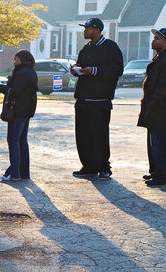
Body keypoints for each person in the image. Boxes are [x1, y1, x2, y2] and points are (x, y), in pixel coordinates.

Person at [70, 18, 123, 180]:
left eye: (87, 28)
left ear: (97, 29)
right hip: (83, 99)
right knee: (83, 134)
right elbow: (80, 64)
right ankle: (89, 166)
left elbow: (116, 70)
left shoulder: (110, 47)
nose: (84, 31)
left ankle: (103, 167)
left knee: (99, 134)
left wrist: (93, 70)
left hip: (100, 100)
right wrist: (76, 70)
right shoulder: (86, 48)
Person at [0, 50, 38, 181]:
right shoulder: (30, 71)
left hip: (18, 110)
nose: (14, 61)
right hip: (27, 110)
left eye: (16, 59)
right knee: (22, 141)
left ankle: (14, 173)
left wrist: (2, 88)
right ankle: (24, 172)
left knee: (13, 140)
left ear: (21, 59)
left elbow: (15, 91)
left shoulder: (22, 72)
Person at [137, 28, 166, 186]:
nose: (153, 40)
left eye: (158, 38)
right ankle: (155, 171)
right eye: (154, 37)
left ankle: (162, 175)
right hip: (154, 108)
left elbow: (162, 88)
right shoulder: (158, 58)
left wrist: (154, 103)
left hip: (161, 109)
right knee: (153, 142)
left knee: (160, 142)